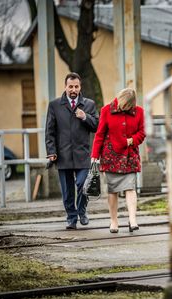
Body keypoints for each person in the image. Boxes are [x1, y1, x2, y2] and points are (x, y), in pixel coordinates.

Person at [45, 72, 99, 229]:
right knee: (67, 191)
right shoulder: (54, 105)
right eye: (70, 86)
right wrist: (51, 151)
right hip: (63, 155)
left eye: (76, 86)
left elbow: (96, 125)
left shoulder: (89, 104)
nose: (73, 89)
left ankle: (81, 211)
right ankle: (71, 217)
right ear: (65, 87)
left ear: (80, 87)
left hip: (83, 154)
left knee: (83, 184)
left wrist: (85, 117)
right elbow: (50, 130)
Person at [91, 88, 145, 233]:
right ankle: (114, 221)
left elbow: (142, 132)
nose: (124, 108)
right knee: (112, 190)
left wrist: (131, 140)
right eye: (122, 105)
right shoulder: (106, 110)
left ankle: (132, 220)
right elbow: (100, 134)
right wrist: (94, 155)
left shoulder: (139, 111)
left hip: (130, 155)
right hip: (111, 156)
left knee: (130, 187)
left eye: (127, 106)